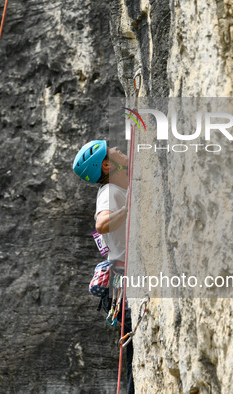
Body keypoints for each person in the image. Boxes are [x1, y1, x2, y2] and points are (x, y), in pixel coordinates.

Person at [72, 140, 134, 394]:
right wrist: (128, 209)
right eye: (113, 150)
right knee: (133, 354)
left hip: (120, 283)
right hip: (122, 285)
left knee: (134, 352)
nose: (120, 149)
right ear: (107, 164)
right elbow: (102, 223)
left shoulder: (119, 188)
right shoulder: (109, 192)